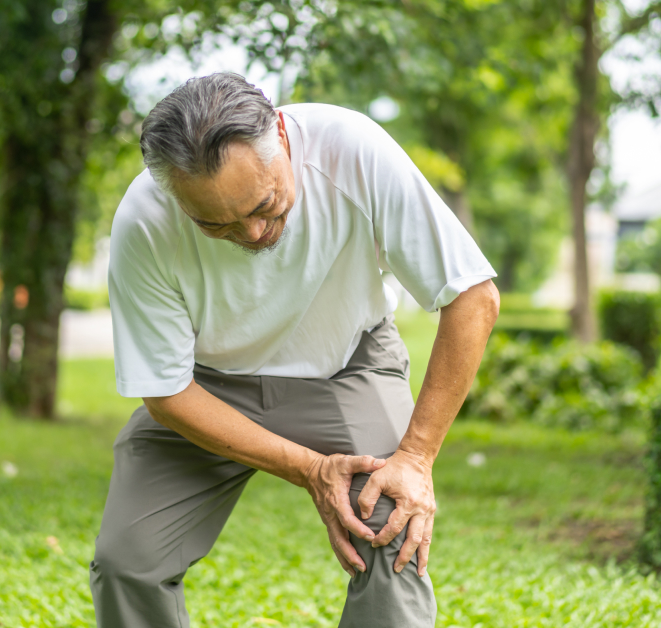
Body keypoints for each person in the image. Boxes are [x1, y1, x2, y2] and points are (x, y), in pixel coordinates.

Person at [89, 72, 499, 627]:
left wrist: (416, 457)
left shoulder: (353, 149)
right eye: (216, 224)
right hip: (208, 386)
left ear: (281, 134)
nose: (254, 233)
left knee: (392, 526)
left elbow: (472, 297)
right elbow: (165, 391)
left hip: (346, 364)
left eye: (265, 204)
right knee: (127, 563)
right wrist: (310, 469)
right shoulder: (144, 221)